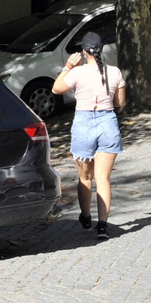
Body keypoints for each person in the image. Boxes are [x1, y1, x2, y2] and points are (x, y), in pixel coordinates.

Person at [52, 32, 128, 240]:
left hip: (84, 124)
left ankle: (86, 217)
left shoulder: (77, 73)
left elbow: (56, 89)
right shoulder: (114, 72)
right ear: (101, 49)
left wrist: (68, 66)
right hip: (107, 124)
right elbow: (120, 102)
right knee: (103, 178)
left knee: (85, 178)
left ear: (84, 52)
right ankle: (102, 226)